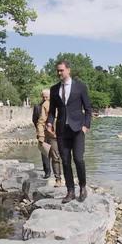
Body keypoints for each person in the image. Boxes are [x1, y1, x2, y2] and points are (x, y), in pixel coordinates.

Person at [46, 60, 93, 203]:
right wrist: (49, 122)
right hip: (61, 131)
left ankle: (83, 187)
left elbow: (88, 109)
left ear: (68, 70)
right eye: (58, 71)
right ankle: (70, 191)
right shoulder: (54, 89)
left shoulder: (80, 87)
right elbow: (52, 111)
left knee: (78, 159)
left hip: (78, 129)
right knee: (65, 161)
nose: (59, 73)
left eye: (61, 70)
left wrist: (86, 126)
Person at [36, 89, 62, 186]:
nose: (45, 99)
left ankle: (62, 177)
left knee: (61, 156)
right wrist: (41, 135)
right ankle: (57, 178)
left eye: (47, 97)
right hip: (50, 134)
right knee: (52, 155)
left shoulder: (62, 102)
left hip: (61, 132)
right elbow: (40, 121)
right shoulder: (45, 105)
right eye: (44, 97)